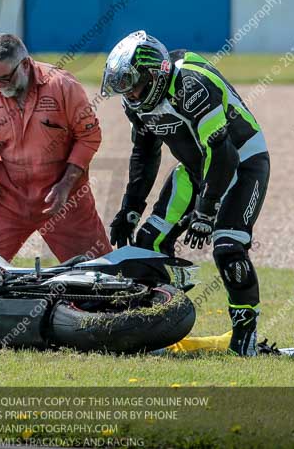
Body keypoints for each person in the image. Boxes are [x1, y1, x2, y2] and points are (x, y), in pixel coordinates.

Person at [102, 31, 270, 357]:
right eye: (122, 86)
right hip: (194, 170)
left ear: (154, 75)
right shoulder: (135, 103)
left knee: (228, 247)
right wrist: (130, 208)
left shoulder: (193, 86)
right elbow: (144, 153)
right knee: (147, 245)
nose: (129, 93)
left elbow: (223, 154)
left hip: (241, 164)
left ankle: (245, 337)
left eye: (133, 84)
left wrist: (206, 211)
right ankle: (154, 328)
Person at [0, 34, 110, 263]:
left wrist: (66, 184)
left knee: (97, 271)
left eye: (5, 78)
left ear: (25, 65)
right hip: (8, 198)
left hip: (64, 198)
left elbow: (88, 136)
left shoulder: (62, 85)